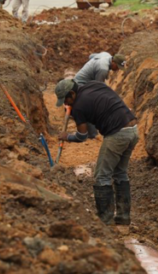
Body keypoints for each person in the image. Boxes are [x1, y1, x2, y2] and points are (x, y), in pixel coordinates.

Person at [55, 79, 138, 226]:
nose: (66, 104)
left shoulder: (78, 107)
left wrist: (67, 136)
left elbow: (82, 136)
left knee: (101, 176)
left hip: (117, 133)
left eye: (66, 100)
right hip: (133, 129)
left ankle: (105, 220)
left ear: (72, 93)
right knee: (120, 173)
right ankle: (123, 217)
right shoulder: (93, 85)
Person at [70, 52, 127, 139]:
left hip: (84, 81)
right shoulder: (103, 69)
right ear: (113, 62)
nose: (118, 69)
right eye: (117, 67)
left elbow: (91, 56)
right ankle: (92, 134)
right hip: (80, 84)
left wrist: (91, 68)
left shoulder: (106, 55)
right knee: (89, 105)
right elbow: (98, 88)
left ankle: (92, 132)